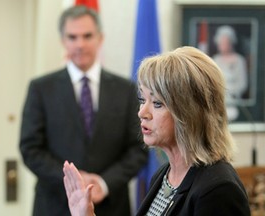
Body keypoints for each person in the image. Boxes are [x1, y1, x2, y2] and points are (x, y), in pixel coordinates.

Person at [63, 46, 251, 216]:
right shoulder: (163, 176)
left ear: (189, 113)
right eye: (143, 100)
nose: (142, 112)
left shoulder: (219, 190)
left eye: (157, 103)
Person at [19, 5, 147, 216]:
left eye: (87, 36)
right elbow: (30, 148)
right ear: (63, 41)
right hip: (54, 206)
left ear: (100, 38)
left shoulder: (126, 90)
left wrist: (104, 183)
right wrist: (74, 183)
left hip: (111, 205)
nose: (80, 44)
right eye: (72, 37)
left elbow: (138, 148)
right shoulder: (41, 88)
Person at [212, 25, 248, 121]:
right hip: (218, 102)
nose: (221, 46)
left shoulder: (239, 60)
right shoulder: (215, 60)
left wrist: (230, 92)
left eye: (224, 43)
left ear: (231, 43)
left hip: (234, 103)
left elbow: (242, 84)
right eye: (220, 43)